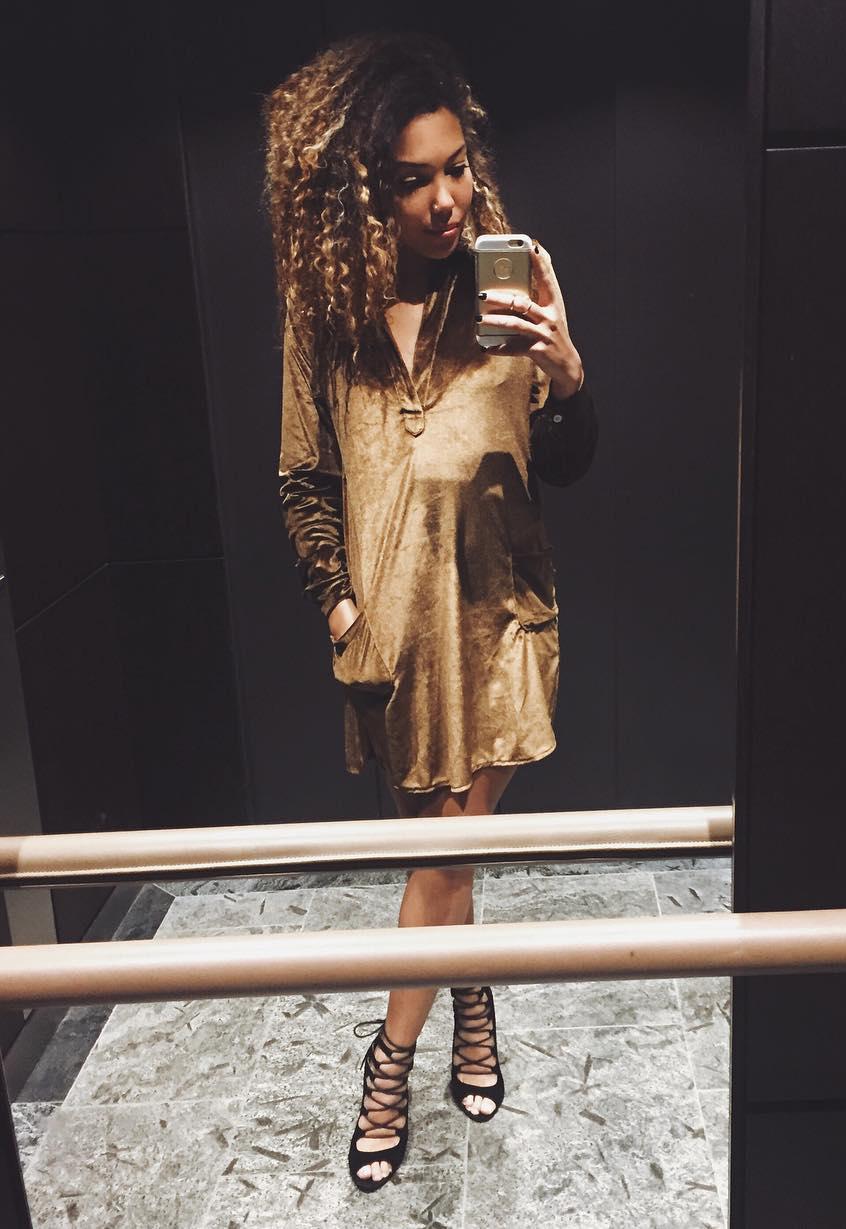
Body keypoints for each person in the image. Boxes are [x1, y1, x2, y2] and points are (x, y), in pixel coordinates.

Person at [261, 31, 598, 1194]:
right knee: (444, 862)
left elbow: (569, 459)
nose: (448, 197)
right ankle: (473, 998)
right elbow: (303, 477)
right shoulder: (327, 314)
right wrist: (339, 602)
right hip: (391, 642)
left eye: (457, 167)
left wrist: (568, 375)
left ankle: (386, 1065)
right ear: (368, 191)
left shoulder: (508, 285)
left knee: (444, 849)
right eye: (416, 179)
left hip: (499, 626)